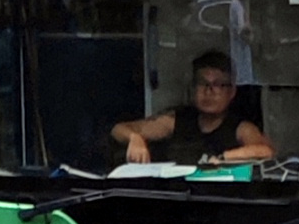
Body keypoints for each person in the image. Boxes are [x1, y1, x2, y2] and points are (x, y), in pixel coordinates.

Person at [113, 50, 272, 166]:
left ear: (231, 92)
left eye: (217, 85)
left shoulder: (241, 127)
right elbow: (119, 129)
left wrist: (222, 158)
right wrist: (135, 138)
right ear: (192, 89)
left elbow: (264, 151)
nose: (209, 91)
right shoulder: (176, 120)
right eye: (203, 83)